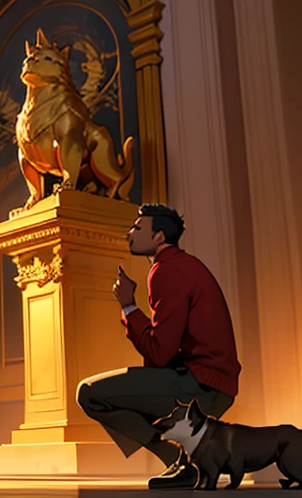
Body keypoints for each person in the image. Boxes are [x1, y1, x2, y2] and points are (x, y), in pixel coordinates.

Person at [75, 203, 241, 490]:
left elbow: (160, 352)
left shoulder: (166, 271)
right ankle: (185, 459)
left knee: (89, 394)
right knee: (128, 391)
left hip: (202, 386)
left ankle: (183, 459)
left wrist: (128, 306)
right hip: (210, 381)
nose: (130, 233)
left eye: (138, 228)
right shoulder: (181, 265)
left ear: (159, 237)